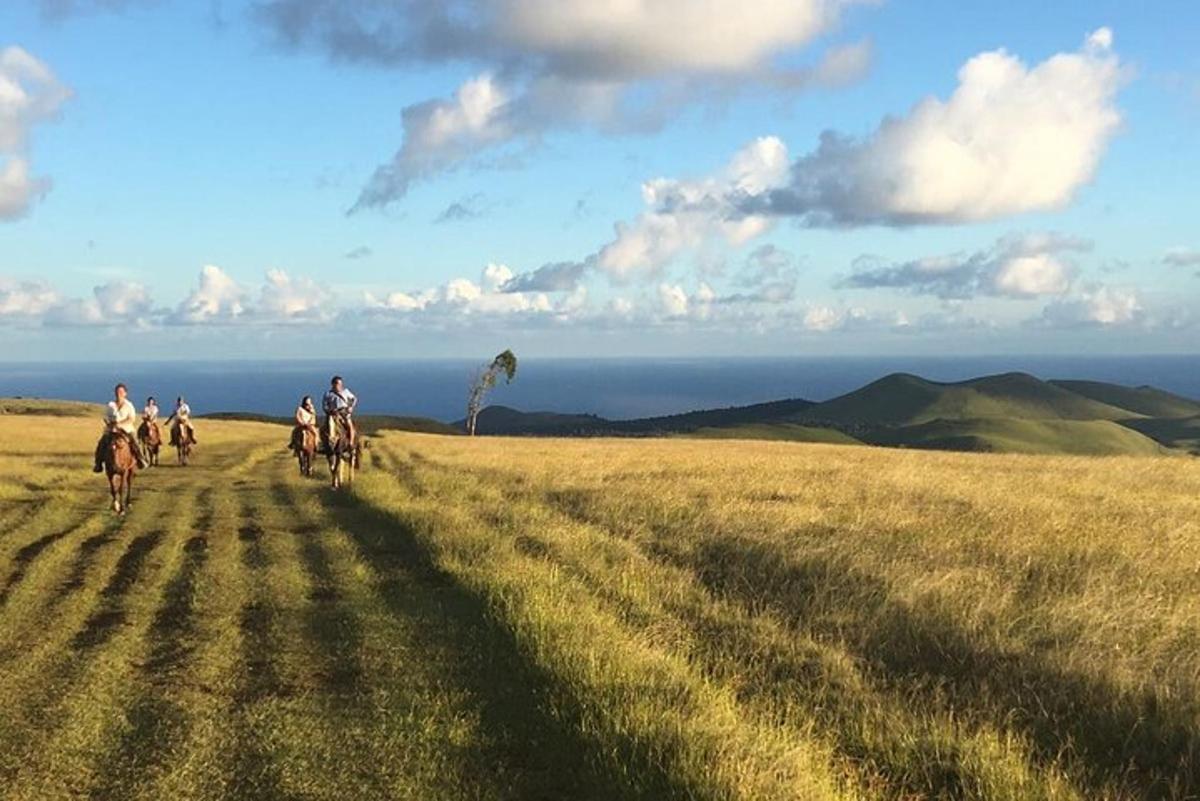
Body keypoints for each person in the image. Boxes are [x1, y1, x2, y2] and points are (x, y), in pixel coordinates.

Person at [93, 382, 147, 472]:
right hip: (111, 429)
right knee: (101, 443)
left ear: (125, 393)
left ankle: (140, 459)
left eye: (121, 392)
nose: (119, 394)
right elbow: (106, 417)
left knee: (134, 441)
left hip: (126, 429)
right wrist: (111, 423)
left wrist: (120, 424)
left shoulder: (129, 405)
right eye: (117, 392)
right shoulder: (111, 405)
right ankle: (98, 464)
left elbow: (131, 418)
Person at [321, 375, 357, 453]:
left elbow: (354, 399)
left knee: (350, 426)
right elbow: (324, 405)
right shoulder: (328, 394)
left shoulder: (346, 391)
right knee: (323, 429)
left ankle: (350, 443)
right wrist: (329, 410)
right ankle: (324, 444)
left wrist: (351, 407)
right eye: (338, 383)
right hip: (332, 414)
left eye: (341, 383)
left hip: (344, 413)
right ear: (333, 384)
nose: (340, 385)